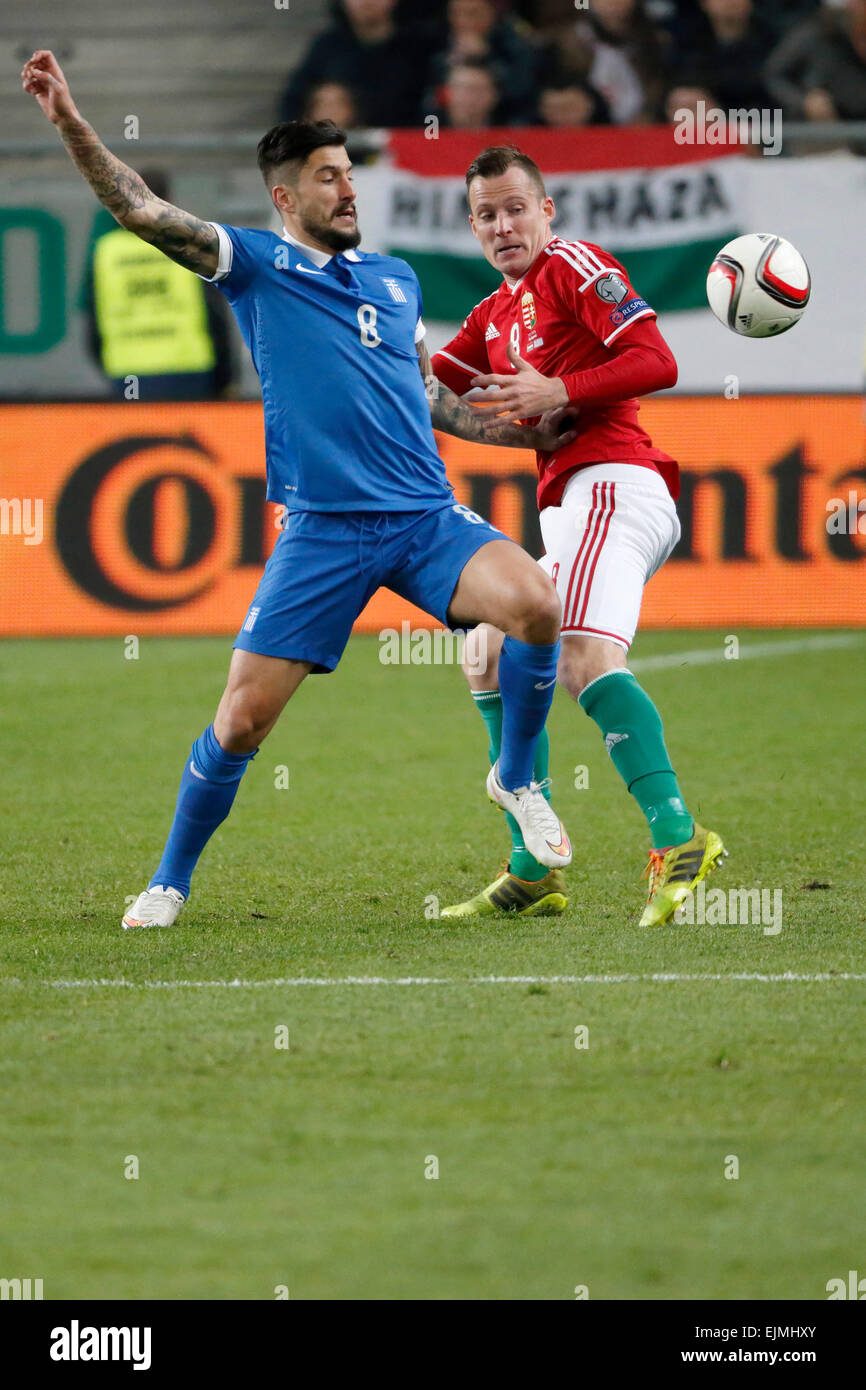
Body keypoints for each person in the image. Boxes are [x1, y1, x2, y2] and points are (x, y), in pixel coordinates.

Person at [22, 51, 575, 930]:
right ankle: (169, 881)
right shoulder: (254, 264)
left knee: (539, 607)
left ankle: (516, 777)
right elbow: (140, 207)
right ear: (287, 199)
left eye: (349, 174)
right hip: (323, 531)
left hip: (425, 519)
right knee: (241, 725)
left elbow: (429, 398)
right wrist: (70, 122)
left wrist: (518, 430)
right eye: (327, 178)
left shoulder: (397, 280)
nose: (347, 191)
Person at [431, 146, 726, 925]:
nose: (503, 225)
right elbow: (438, 389)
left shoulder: (573, 265)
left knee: (582, 655)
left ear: (545, 210)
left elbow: (655, 360)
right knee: (486, 649)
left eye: (515, 207)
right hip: (571, 498)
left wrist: (563, 388)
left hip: (614, 483)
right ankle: (533, 868)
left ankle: (681, 836)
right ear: (472, 226)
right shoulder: (491, 315)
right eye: (487, 215)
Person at [80, 168, 235, 402]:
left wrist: (107, 364)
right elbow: (214, 313)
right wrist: (226, 377)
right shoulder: (188, 242)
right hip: (189, 369)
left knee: (143, 438)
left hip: (127, 371)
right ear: (167, 201)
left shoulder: (105, 251)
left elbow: (93, 319)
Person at [279, 0, 438, 128]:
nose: (366, 2)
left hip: (405, 153)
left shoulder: (420, 47)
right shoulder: (327, 46)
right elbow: (294, 100)